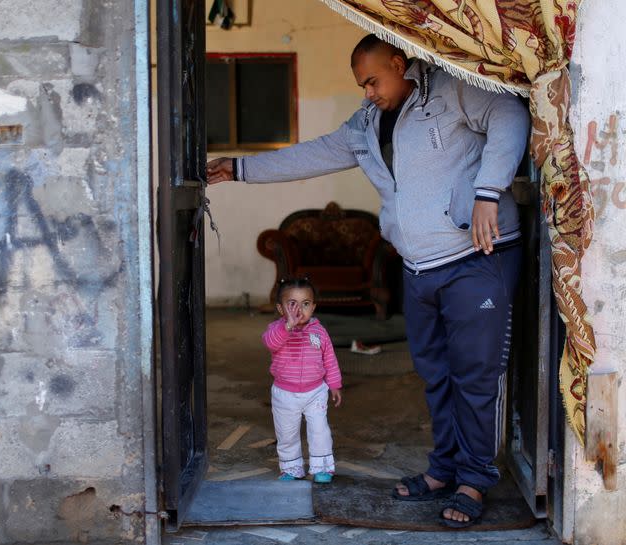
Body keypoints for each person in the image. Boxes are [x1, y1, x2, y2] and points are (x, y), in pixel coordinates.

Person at [207, 34, 529, 527]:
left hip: (477, 256)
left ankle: (474, 478)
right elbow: (311, 154)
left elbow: (510, 115)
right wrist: (239, 168)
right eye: (362, 85)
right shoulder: (365, 123)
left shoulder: (451, 89)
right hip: (420, 269)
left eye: (373, 81)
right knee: (436, 375)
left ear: (399, 64)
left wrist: (489, 191)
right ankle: (444, 469)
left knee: (475, 377)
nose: (368, 92)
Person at [262, 277, 343, 484]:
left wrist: (334, 385)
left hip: (315, 391)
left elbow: (329, 359)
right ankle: (291, 468)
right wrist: (287, 327)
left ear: (313, 307)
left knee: (320, 431)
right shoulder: (276, 329)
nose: (299, 310)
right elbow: (270, 343)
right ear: (281, 309)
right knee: (287, 434)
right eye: (292, 305)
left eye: (305, 304)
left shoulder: (319, 331)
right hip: (284, 394)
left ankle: (321, 468)